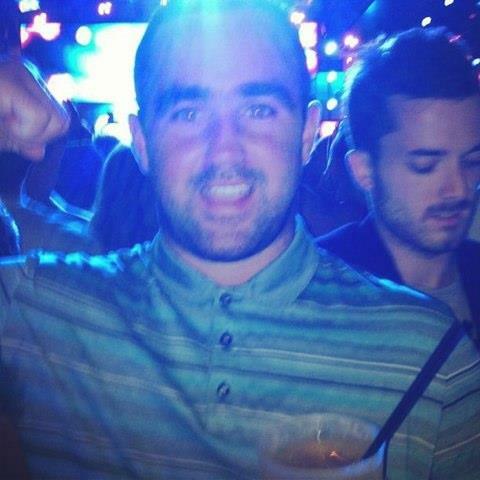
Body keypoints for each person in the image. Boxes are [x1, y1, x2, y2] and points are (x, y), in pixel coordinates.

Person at [0, 2, 479, 478]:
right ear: (142, 142)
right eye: (188, 113)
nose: (224, 150)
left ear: (307, 134)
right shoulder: (33, 309)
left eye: (259, 110)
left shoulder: (433, 360)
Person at [317, 28, 480, 348]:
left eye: (472, 162)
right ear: (364, 170)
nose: (460, 189)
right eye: (425, 166)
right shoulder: (317, 292)